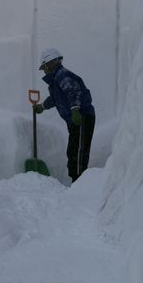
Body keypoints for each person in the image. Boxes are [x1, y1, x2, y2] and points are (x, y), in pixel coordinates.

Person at [33, 48, 95, 183]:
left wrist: (75, 110)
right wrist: (42, 106)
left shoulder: (62, 75)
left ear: (51, 63)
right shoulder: (56, 80)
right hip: (75, 119)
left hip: (81, 117)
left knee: (78, 151)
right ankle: (77, 181)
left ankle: (79, 182)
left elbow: (73, 91)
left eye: (44, 67)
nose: (44, 70)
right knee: (73, 151)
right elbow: (56, 98)